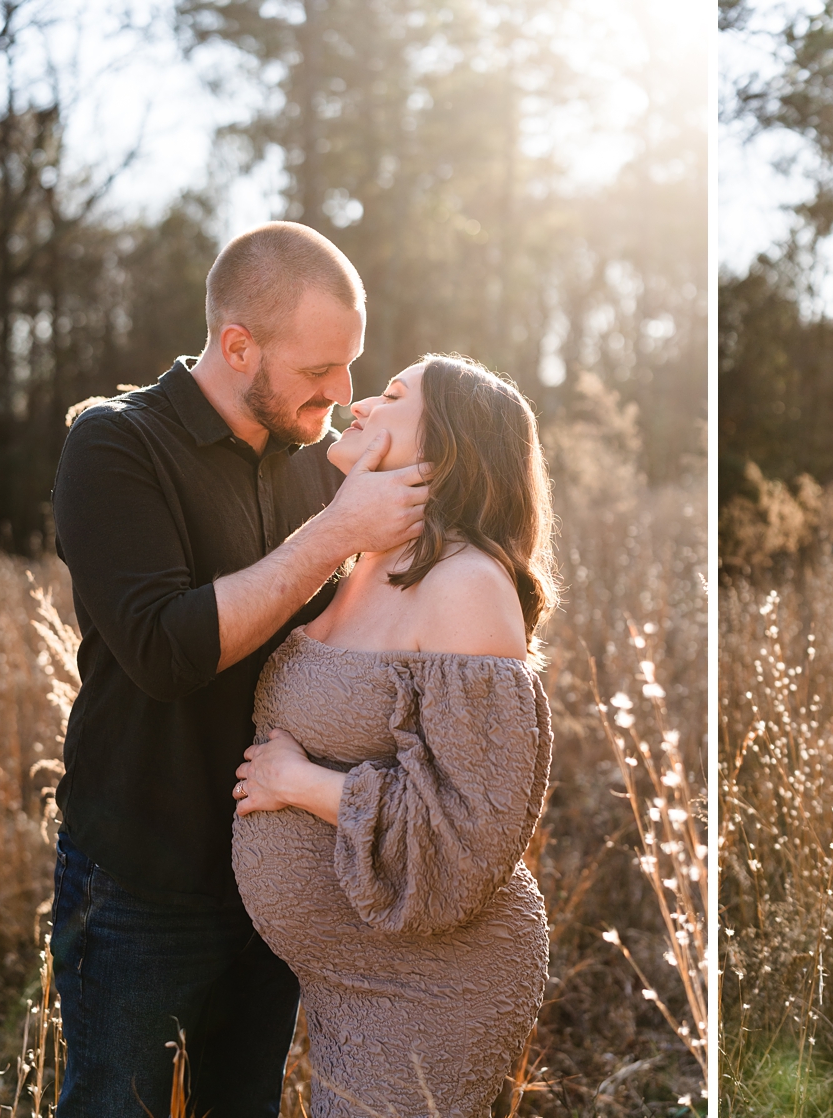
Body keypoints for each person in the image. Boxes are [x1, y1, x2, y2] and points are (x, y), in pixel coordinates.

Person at [49, 221, 429, 1117]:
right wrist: (337, 533)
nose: (340, 393)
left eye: (352, 366)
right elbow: (165, 652)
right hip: (141, 880)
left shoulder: (320, 462)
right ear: (237, 345)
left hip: (277, 877)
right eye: (317, 371)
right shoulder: (114, 446)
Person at [228, 354, 558, 1117]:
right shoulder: (364, 562)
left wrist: (298, 784)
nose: (361, 402)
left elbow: (470, 829)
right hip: (348, 979)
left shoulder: (466, 585)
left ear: (443, 449)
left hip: (432, 983)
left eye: (395, 394)